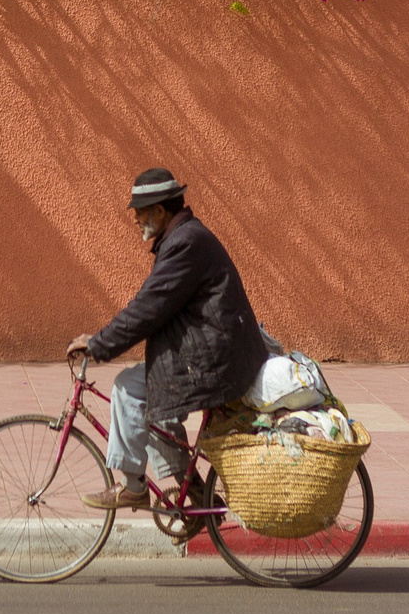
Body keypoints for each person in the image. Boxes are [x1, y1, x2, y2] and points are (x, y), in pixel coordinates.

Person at [67, 167, 264, 509]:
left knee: (129, 389)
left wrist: (99, 344)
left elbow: (148, 307)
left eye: (140, 212)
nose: (136, 219)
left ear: (160, 211)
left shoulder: (185, 243)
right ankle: (192, 488)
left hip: (215, 362)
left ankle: (133, 485)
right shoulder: (183, 237)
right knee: (156, 400)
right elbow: (155, 304)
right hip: (212, 353)